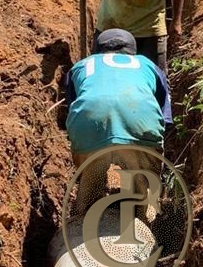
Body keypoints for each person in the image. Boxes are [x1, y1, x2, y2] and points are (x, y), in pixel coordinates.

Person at [64, 28, 172, 217]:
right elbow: (165, 118)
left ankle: (83, 218)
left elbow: (74, 108)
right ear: (133, 52)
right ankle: (145, 220)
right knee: (143, 192)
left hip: (90, 128)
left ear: (97, 50)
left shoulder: (81, 66)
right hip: (139, 124)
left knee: (89, 192)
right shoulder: (148, 65)